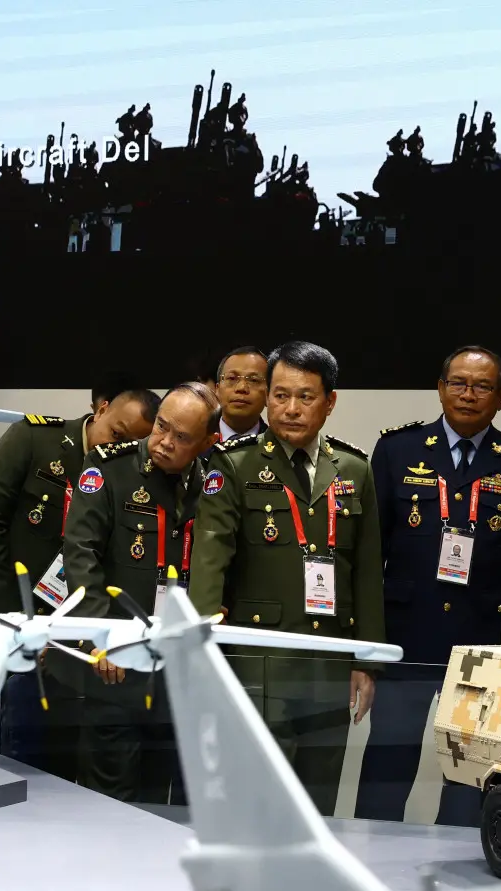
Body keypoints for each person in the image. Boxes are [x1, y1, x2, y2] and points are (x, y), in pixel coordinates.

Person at [188, 340, 385, 817]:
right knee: (257, 799)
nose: (290, 409)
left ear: (330, 402)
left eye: (305, 396)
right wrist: (200, 649)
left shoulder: (354, 469)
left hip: (330, 660)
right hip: (259, 661)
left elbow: (366, 570)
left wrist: (367, 658)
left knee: (317, 800)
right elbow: (210, 561)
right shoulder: (234, 465)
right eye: (280, 395)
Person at [355, 345, 501, 825]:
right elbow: (369, 554)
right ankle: (368, 853)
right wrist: (368, 649)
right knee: (387, 763)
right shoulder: (397, 450)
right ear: (440, 388)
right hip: (406, 638)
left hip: (478, 643)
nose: (467, 394)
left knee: (468, 772)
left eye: (481, 386)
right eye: (457, 383)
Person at [0, 387, 158, 773]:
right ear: (102, 409)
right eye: (117, 433)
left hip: (56, 633)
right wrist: (14, 615)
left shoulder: (127, 475)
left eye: (132, 442)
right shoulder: (34, 437)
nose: (120, 445)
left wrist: (57, 631)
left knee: (29, 748)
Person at [60, 383, 219, 804]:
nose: (164, 442)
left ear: (207, 442)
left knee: (162, 802)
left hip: (179, 672)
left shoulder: (212, 485)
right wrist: (103, 638)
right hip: (117, 667)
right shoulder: (109, 469)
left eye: (181, 437)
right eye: (161, 427)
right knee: (110, 803)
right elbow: (80, 555)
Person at [210, 346, 268, 452]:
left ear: (268, 395)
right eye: (232, 378)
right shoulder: (196, 442)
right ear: (217, 390)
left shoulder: (281, 448)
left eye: (254, 380)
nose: (241, 388)